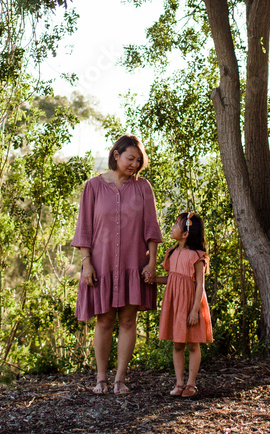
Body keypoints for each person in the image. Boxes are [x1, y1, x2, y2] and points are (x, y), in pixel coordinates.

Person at [71, 134, 162, 395]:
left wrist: (152, 263)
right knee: (104, 321)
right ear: (116, 155)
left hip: (134, 265)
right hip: (102, 266)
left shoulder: (143, 188)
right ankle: (101, 378)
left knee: (129, 321)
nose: (134, 164)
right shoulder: (93, 187)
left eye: (138, 161)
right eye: (130, 158)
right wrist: (87, 263)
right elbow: (84, 229)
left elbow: (151, 228)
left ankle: (120, 379)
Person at [148, 211, 213, 397]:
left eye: (176, 224)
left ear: (185, 234)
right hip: (176, 305)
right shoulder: (172, 253)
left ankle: (191, 384)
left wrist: (194, 311)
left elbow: (200, 285)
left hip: (191, 304)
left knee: (192, 344)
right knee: (177, 344)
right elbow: (172, 279)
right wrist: (154, 279)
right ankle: (179, 383)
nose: (172, 227)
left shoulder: (197, 256)